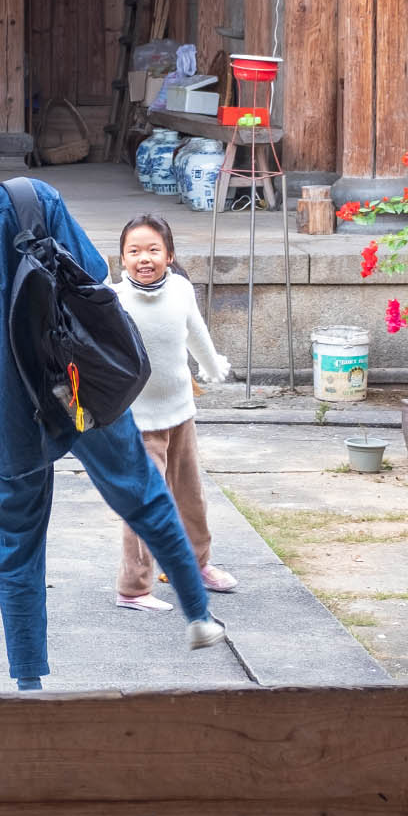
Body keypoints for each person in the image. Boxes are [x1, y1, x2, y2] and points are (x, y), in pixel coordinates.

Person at [0, 100, 228, 691]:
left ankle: (29, 683)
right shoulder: (33, 199)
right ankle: (199, 616)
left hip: (5, 416)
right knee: (142, 493)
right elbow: (91, 270)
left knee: (18, 550)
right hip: (75, 387)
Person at [111, 214, 239, 610]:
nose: (143, 258)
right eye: (134, 251)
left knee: (190, 496)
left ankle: (196, 564)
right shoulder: (113, 298)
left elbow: (195, 332)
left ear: (169, 255)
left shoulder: (181, 289)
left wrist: (212, 364)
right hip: (138, 421)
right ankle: (133, 588)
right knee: (144, 505)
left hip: (181, 411)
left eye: (153, 250)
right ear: (122, 260)